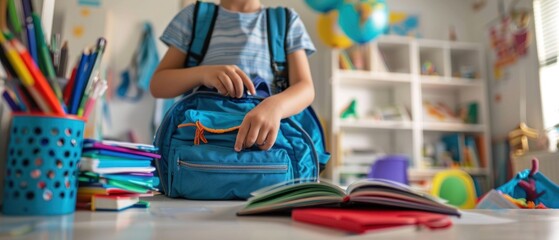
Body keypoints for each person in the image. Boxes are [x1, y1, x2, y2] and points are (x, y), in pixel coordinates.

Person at [150, 0, 316, 153]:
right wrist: (202, 73)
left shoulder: (286, 21)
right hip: (201, 146)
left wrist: (275, 106)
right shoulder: (193, 17)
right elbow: (158, 85)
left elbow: (305, 88)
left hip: (266, 147)